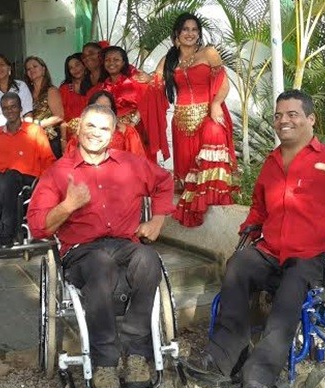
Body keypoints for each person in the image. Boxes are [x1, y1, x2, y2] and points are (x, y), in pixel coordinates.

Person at [182, 90, 325, 388]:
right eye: (278, 115)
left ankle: (260, 375)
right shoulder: (271, 164)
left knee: (295, 281)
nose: (284, 120)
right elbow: (259, 210)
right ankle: (223, 358)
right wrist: (246, 235)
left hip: (317, 259)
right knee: (240, 264)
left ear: (310, 119)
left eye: (292, 114)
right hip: (274, 254)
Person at [26, 104, 175, 388]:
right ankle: (105, 361)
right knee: (100, 264)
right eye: (90, 126)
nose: (96, 133)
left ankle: (136, 354)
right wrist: (68, 205)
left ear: (113, 134)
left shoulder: (131, 164)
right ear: (78, 127)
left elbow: (164, 182)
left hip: (124, 243)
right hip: (82, 251)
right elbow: (39, 226)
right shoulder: (59, 172)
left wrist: (157, 220)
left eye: (104, 128)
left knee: (148, 259)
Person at [155, 12, 238, 227]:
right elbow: (153, 83)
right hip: (182, 122)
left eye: (194, 30)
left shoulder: (208, 53)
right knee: (189, 169)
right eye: (185, 29)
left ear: (199, 33)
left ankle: (213, 199)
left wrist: (216, 104)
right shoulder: (170, 60)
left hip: (207, 115)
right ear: (177, 33)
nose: (190, 33)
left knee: (215, 132)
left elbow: (223, 81)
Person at [0, 92, 55, 250]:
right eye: (5, 108)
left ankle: (0, 233)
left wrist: (46, 184)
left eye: (13, 107)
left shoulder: (34, 131)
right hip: (2, 180)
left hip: (28, 179)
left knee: (9, 176)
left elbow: (48, 159)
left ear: (20, 108)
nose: (9, 111)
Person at [100, 46, 168, 162]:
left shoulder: (135, 81)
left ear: (123, 62)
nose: (111, 63)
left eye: (116, 60)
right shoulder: (102, 86)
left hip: (136, 131)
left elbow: (148, 100)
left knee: (137, 166)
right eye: (108, 60)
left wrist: (131, 124)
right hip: (112, 133)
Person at [65, 90, 145, 158]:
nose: (102, 110)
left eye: (106, 107)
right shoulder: (81, 132)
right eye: (98, 107)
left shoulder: (127, 131)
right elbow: (70, 158)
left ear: (112, 110)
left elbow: (137, 160)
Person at [24, 56, 65, 158]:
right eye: (28, 69)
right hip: (32, 139)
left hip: (50, 139)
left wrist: (38, 124)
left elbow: (59, 116)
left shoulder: (51, 90)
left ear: (43, 69)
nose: (32, 70)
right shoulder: (27, 92)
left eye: (35, 66)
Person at [59, 53, 94, 140]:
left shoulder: (94, 85)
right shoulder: (65, 89)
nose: (75, 69)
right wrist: (63, 140)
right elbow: (61, 116)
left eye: (77, 65)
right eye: (71, 68)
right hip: (70, 135)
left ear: (84, 65)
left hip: (91, 134)